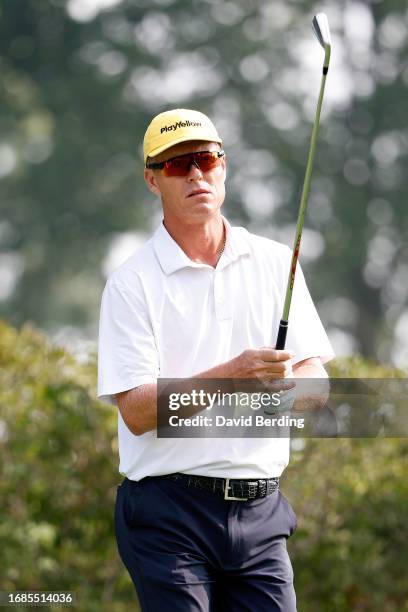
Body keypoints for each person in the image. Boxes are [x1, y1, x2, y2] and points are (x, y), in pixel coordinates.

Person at [97, 108, 335, 611]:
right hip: (167, 514)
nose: (196, 174)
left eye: (205, 159)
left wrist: (288, 395)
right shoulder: (131, 282)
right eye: (178, 165)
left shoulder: (276, 262)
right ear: (152, 180)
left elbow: (316, 382)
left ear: (223, 167)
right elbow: (138, 412)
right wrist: (234, 375)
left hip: (262, 512)